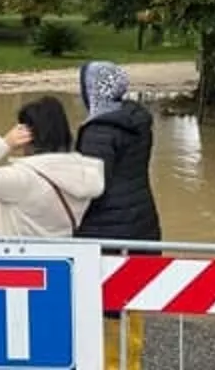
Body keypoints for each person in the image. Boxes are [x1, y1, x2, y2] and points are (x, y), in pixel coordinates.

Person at [73, 61, 161, 370]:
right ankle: (130, 363)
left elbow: (90, 185)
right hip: (142, 226)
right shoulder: (136, 121)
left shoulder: (99, 130)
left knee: (107, 311)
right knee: (130, 304)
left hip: (106, 232)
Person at [0, 95, 104, 237]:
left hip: (14, 259)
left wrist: (4, 143)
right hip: (58, 257)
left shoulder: (22, 178)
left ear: (28, 137)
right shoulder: (85, 172)